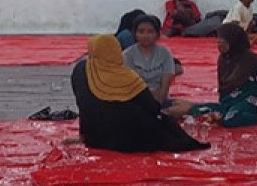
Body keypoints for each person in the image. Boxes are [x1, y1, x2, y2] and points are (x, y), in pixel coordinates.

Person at [72, 34, 207, 153]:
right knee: (167, 123)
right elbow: (153, 108)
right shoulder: (127, 77)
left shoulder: (81, 70)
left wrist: (83, 135)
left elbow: (82, 105)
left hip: (94, 138)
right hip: (130, 140)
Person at [168, 24, 257, 128]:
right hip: (229, 102)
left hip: (250, 102)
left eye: (222, 43)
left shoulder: (250, 60)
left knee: (230, 119)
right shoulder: (224, 59)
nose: (219, 46)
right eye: (218, 42)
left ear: (233, 42)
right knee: (193, 110)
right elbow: (224, 86)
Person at [122, 13, 177, 104]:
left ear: (157, 34)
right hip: (136, 99)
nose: (145, 35)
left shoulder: (165, 53)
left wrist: (159, 103)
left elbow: (166, 81)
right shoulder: (127, 55)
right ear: (135, 34)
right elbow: (129, 83)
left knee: (184, 106)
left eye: (150, 32)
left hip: (160, 98)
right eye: (141, 31)